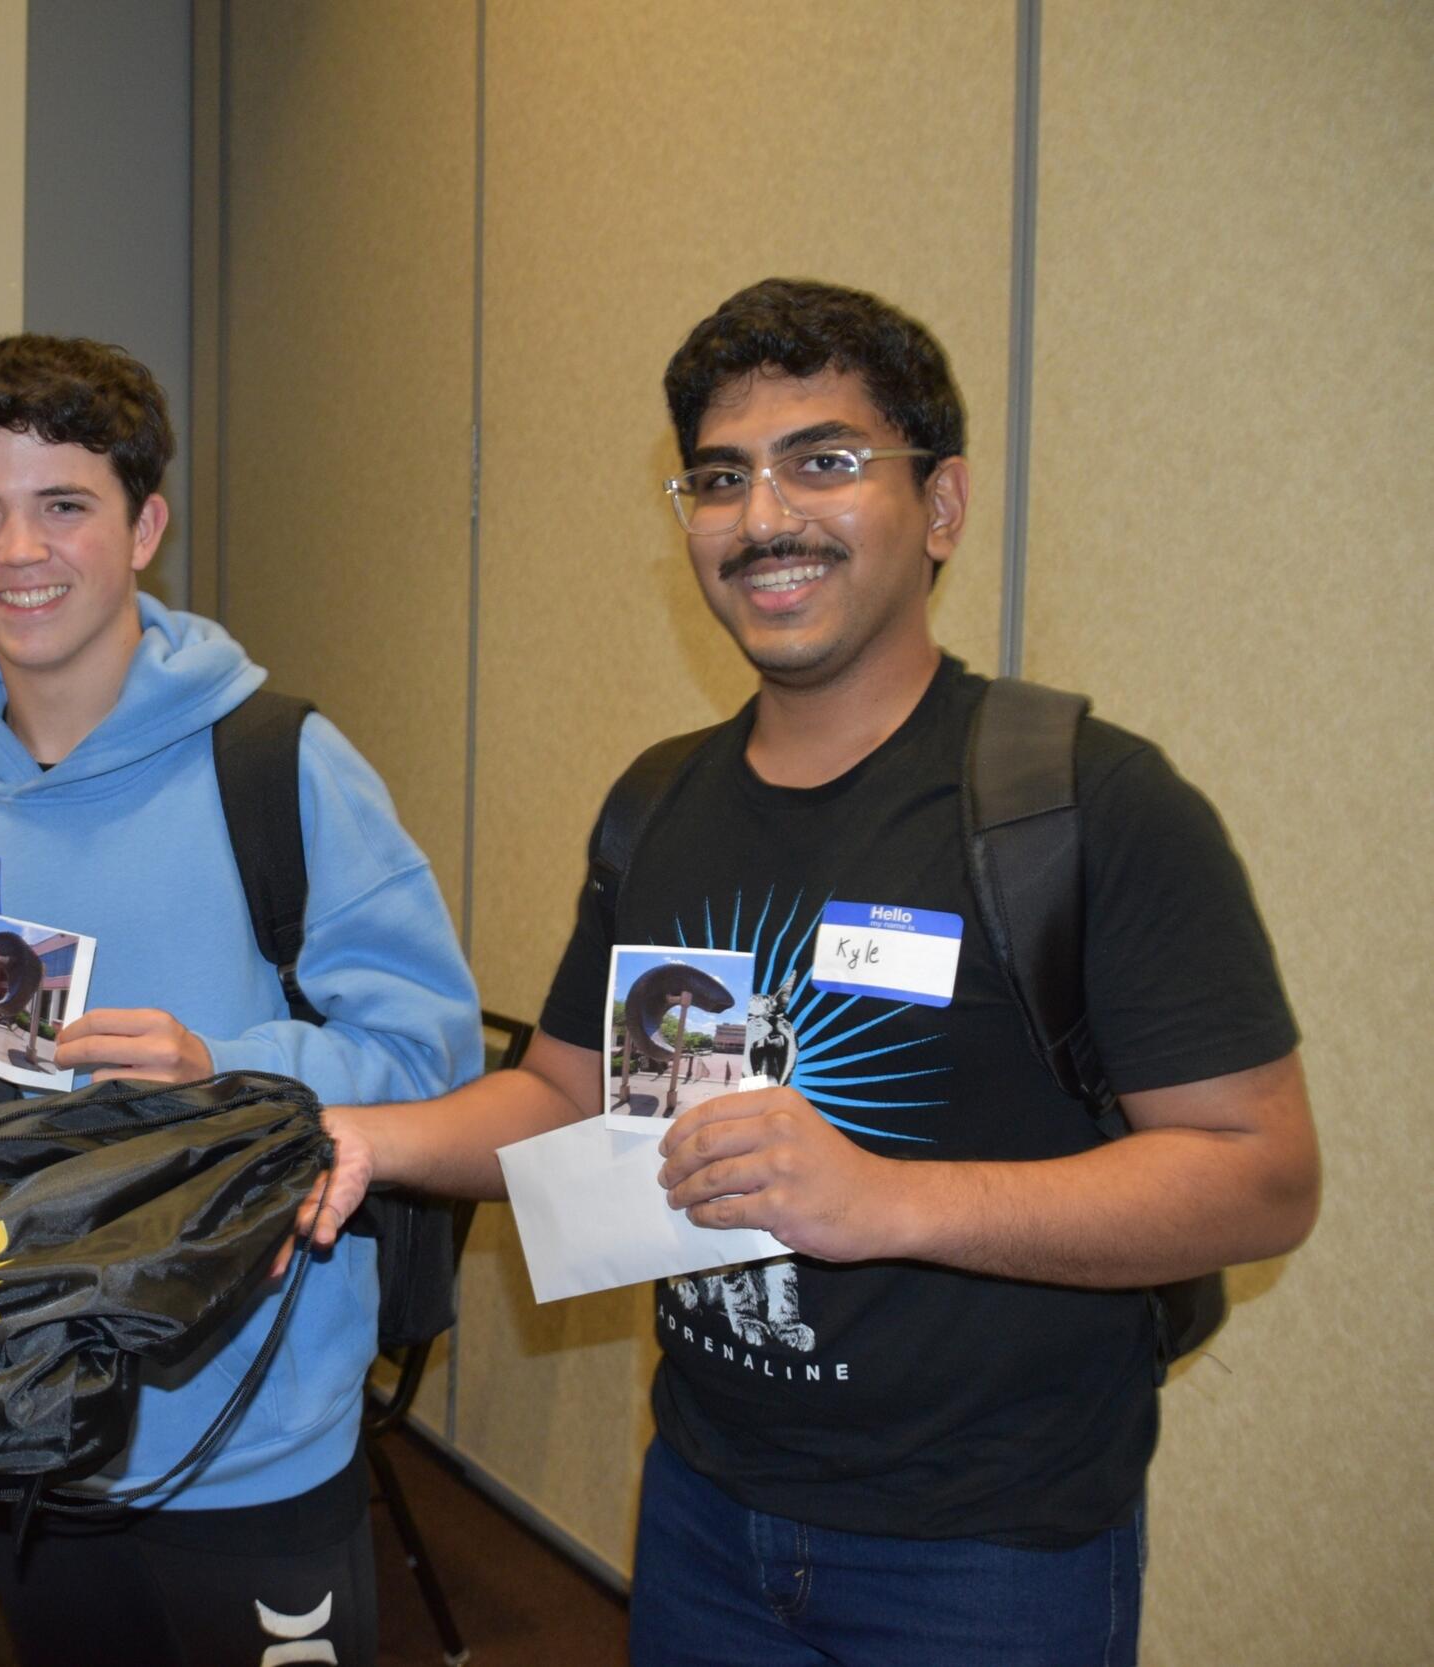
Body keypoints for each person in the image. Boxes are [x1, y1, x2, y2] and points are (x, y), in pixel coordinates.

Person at [310, 280, 1319, 1664]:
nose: (765, 516)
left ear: (942, 507)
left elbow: (1259, 1173)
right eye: (722, 479)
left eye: (826, 461)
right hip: (705, 1512)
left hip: (988, 1550)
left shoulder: (1085, 800)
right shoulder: (658, 804)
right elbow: (561, 1095)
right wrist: (367, 1139)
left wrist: (885, 1201)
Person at [0, 334, 482, 1667]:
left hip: (250, 1433)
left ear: (144, 526)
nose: (20, 550)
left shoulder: (280, 765)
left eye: (66, 506)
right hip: (27, 1419)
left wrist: (228, 1063)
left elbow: (433, 1053)